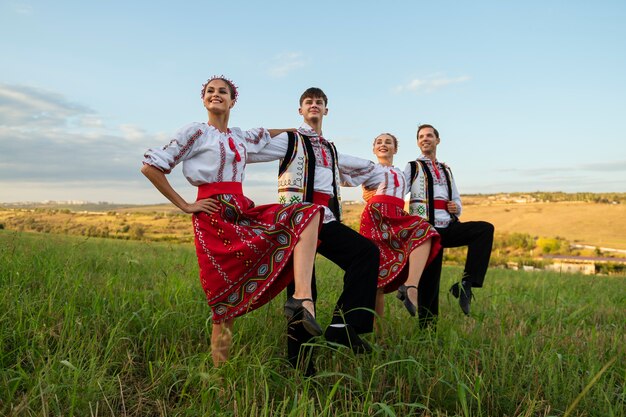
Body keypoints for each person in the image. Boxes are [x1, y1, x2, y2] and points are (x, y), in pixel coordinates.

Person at [141, 76, 323, 366]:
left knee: (307, 213)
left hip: (241, 210)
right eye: (210, 91)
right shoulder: (196, 132)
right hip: (212, 217)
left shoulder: (239, 137)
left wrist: (302, 131)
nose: (216, 95)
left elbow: (265, 134)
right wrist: (186, 204)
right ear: (203, 100)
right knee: (223, 305)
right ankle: (220, 378)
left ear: (232, 100)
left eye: (222, 91)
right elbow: (151, 167)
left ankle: (302, 299)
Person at [248, 87, 384, 373]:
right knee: (304, 289)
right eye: (308, 102)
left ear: (326, 110)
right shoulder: (290, 140)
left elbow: (367, 169)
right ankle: (300, 367)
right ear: (300, 110)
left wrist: (377, 182)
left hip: (327, 220)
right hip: (297, 222)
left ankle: (342, 326)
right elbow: (248, 146)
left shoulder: (331, 149)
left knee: (366, 254)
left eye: (319, 102)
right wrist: (288, 130)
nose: (314, 105)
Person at [405, 124, 494, 325]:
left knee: (484, 229)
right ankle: (427, 330)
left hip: (449, 226)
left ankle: (466, 283)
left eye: (429, 135)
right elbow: (399, 188)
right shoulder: (413, 167)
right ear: (418, 142)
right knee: (430, 280)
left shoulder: (446, 169)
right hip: (427, 229)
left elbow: (456, 197)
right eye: (420, 136)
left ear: (438, 140)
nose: (424, 139)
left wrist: (457, 207)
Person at [360, 133, 441, 322]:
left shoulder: (401, 173)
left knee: (425, 231)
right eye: (379, 142)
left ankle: (411, 285)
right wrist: (366, 191)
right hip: (376, 217)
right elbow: (347, 177)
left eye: (388, 142)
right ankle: (376, 334)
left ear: (395, 149)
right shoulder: (371, 169)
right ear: (373, 149)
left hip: (396, 215)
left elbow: (422, 183)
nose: (383, 144)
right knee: (376, 276)